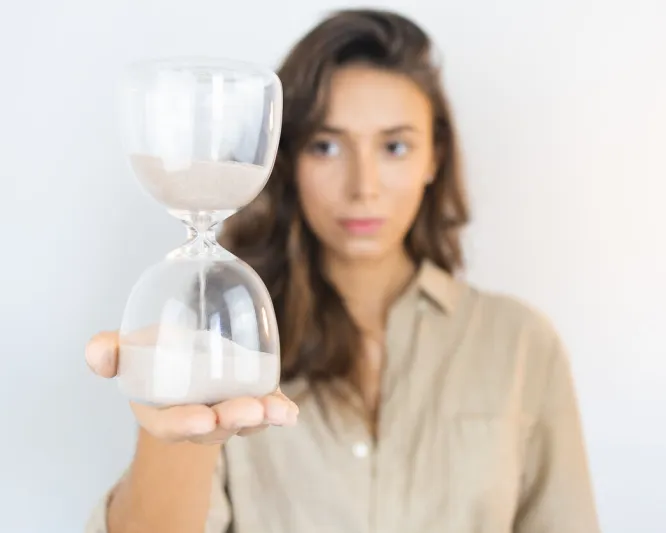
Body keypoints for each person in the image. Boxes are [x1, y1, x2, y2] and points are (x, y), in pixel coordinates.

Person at [84, 8, 601, 533]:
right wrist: (170, 437)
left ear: (433, 158)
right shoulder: (229, 343)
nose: (363, 186)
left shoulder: (520, 345)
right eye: (326, 146)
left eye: (394, 146)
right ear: (287, 160)